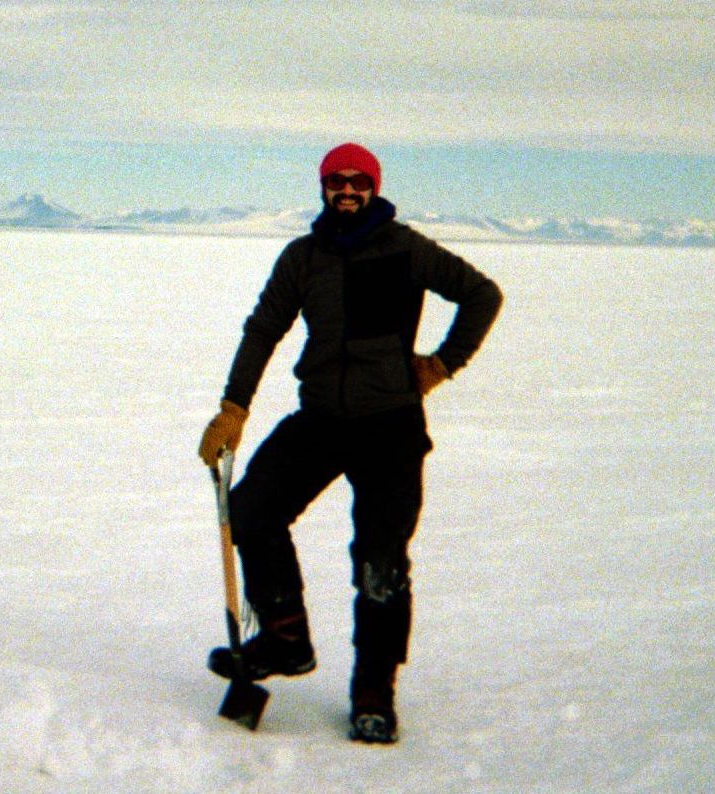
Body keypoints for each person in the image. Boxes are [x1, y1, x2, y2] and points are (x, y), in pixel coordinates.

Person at [198, 142, 502, 744]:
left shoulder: (405, 249)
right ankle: (286, 639)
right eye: (336, 180)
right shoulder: (303, 258)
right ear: (322, 187)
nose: (346, 190)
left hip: (390, 426)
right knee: (253, 509)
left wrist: (441, 365)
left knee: (380, 563)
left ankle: (374, 690)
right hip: (321, 420)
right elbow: (263, 330)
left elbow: (482, 295)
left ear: (374, 187)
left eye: (358, 181)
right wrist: (234, 407)